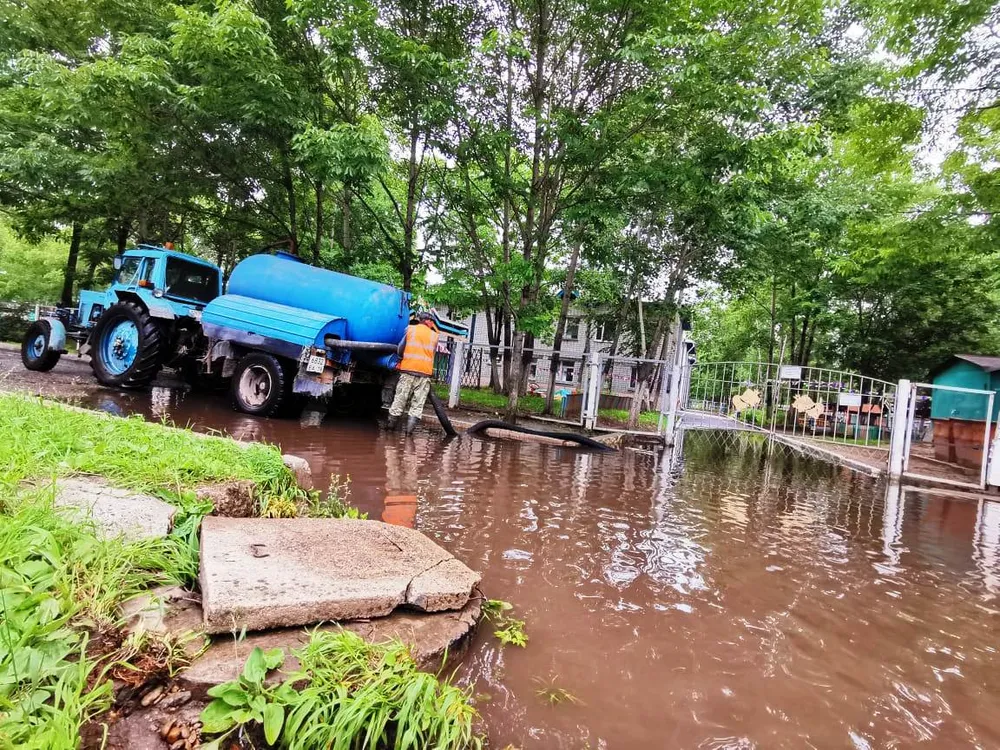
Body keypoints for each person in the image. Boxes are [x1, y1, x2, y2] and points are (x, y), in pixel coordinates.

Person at [387, 312, 440, 433]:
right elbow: (433, 354)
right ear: (427, 321)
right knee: (417, 406)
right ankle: (409, 433)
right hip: (424, 374)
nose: (433, 324)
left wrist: (401, 358)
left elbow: (400, 349)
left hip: (407, 371)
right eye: (432, 321)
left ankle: (389, 430)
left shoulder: (410, 330)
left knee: (399, 401)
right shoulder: (434, 336)